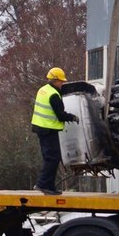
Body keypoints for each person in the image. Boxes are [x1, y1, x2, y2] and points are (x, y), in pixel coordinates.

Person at [30, 67, 78, 196]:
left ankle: (48, 186)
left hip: (41, 128)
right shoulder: (54, 95)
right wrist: (72, 117)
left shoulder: (43, 90)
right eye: (61, 81)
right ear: (55, 80)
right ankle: (42, 184)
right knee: (53, 157)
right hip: (48, 129)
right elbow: (60, 115)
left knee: (49, 157)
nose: (62, 84)